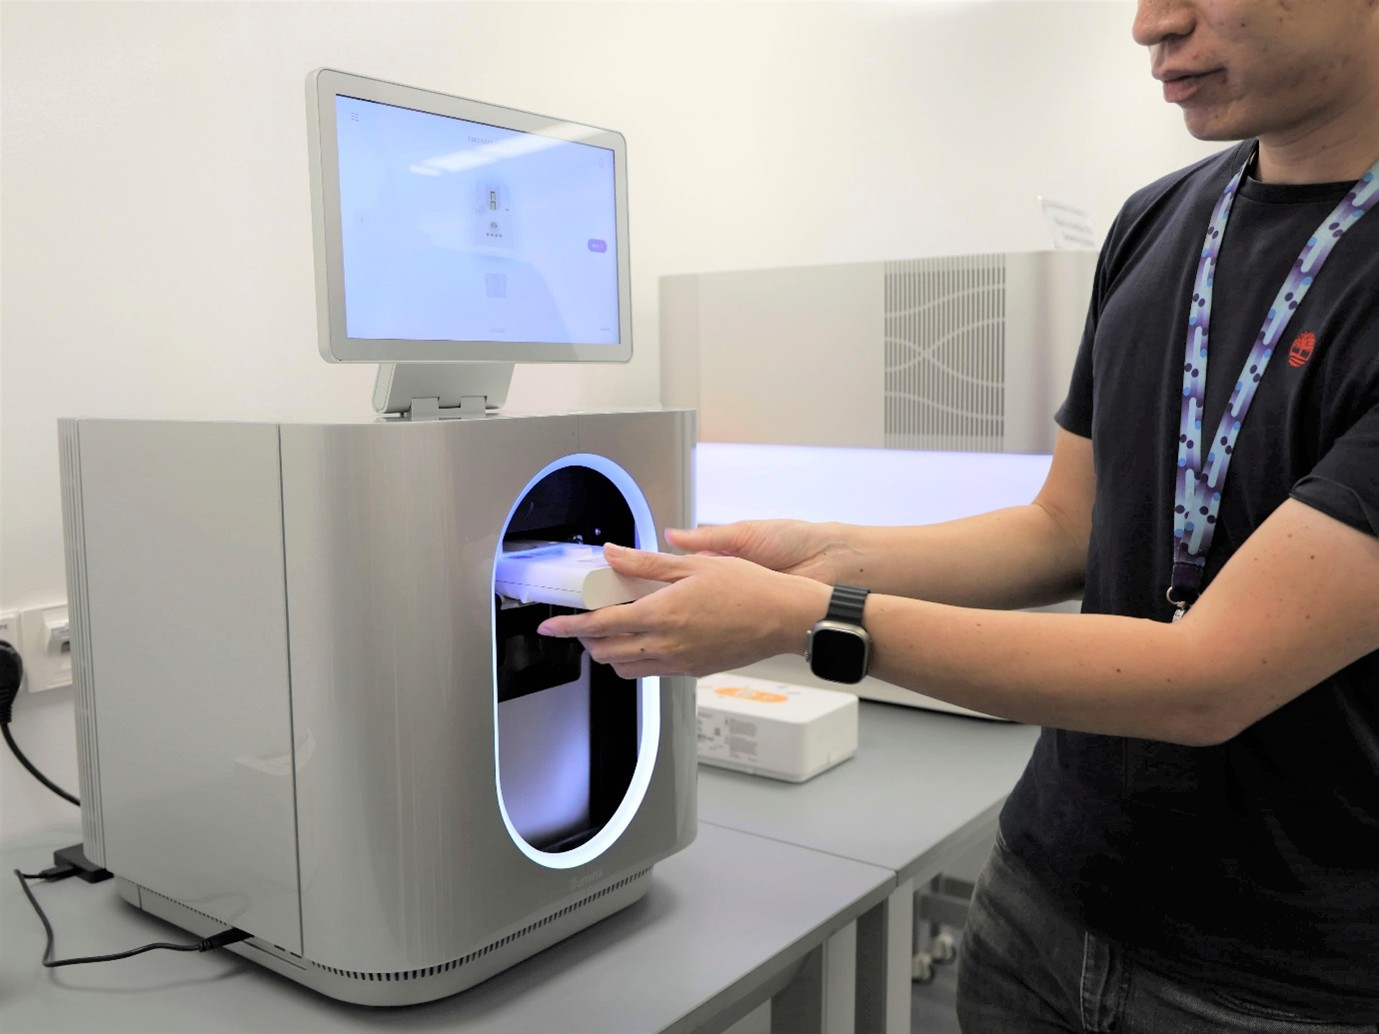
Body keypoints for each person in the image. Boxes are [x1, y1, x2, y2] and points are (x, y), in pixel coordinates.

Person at [539, 0, 1379, 1027]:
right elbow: (1060, 526)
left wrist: (798, 619)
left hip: (1276, 979)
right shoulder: (1162, 219)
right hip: (1043, 895)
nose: (1150, 25)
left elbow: (1210, 679)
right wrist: (821, 555)